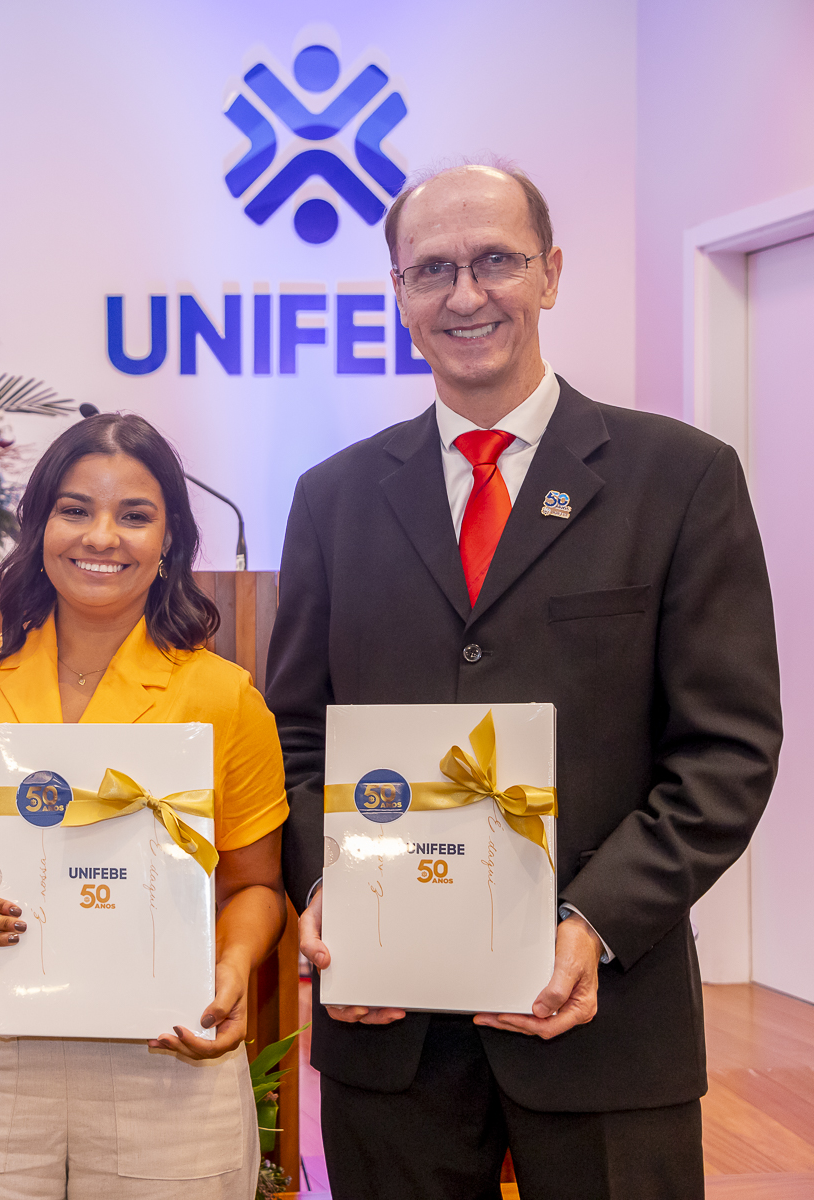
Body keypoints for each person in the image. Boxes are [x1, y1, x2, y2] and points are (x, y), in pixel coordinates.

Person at [267, 163, 781, 1200]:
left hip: (606, 1021)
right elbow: (294, 735)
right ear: (399, 293)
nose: (465, 294)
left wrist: (592, 925)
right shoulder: (333, 499)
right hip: (389, 1033)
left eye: (496, 260)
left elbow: (725, 750)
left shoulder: (680, 479)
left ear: (550, 273)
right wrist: (328, 889)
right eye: (432, 269)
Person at [0, 412, 288, 1200]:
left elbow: (254, 886)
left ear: (169, 540)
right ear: (40, 526)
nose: (102, 535)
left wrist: (233, 966)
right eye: (75, 509)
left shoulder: (223, 696)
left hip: (168, 1044)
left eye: (134, 515)